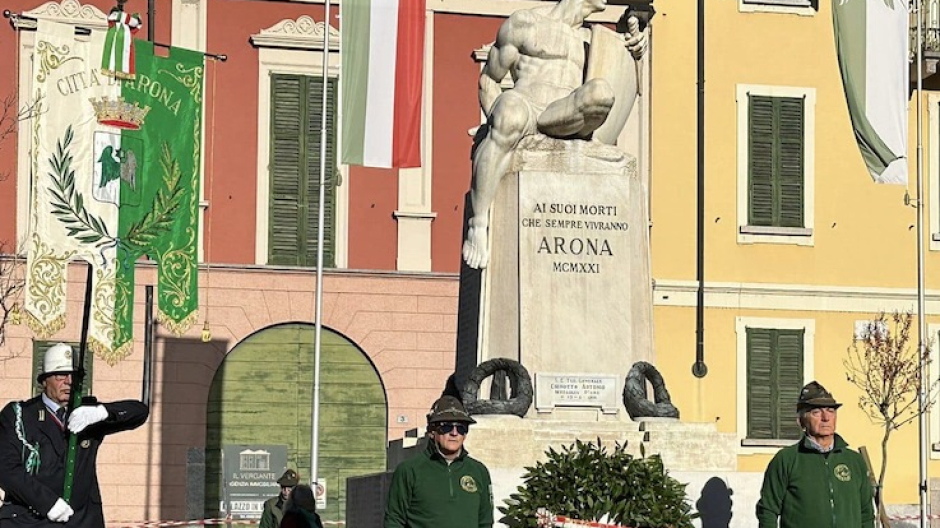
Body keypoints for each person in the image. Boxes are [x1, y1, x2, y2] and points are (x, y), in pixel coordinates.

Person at [463, 0, 649, 269]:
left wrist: (635, 51)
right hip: (526, 105)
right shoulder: (525, 23)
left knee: (601, 93)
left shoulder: (593, 41)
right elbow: (489, 79)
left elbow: (625, 80)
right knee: (509, 113)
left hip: (561, 115)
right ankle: (478, 224)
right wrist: (495, 119)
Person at [0, 342, 149, 528]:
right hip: (29, 520)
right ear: (44, 380)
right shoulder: (19, 415)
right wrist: (48, 503)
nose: (69, 381)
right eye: (61, 375)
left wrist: (103, 412)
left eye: (74, 376)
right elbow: (7, 470)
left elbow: (139, 411)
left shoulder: (86, 414)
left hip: (81, 521)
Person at [756, 381, 874, 528]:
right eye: (816, 412)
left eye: (831, 411)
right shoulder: (786, 460)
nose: (826, 418)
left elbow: (866, 514)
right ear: (801, 421)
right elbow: (767, 510)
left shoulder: (854, 461)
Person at [384, 396, 493, 528]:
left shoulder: (478, 471)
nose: (454, 433)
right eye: (446, 427)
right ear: (432, 431)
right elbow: (394, 520)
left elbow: (485, 522)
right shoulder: (409, 470)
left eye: (461, 428)